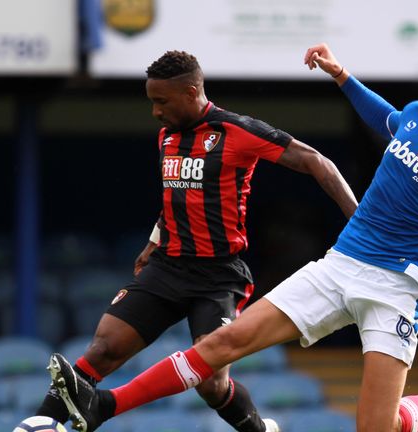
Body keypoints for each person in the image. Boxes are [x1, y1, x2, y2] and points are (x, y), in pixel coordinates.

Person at [49, 42, 418, 432]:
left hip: (397, 289)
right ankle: (104, 406)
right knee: (219, 346)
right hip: (341, 264)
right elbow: (390, 121)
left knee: (379, 427)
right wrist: (343, 77)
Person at [35, 50, 359, 432]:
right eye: (152, 102)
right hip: (168, 266)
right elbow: (178, 194)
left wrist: (360, 220)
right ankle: (34, 424)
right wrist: (155, 238)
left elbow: (318, 162)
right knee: (103, 350)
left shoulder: (238, 131)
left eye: (162, 102)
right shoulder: (166, 135)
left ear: (191, 93)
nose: (156, 111)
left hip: (219, 276)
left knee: (211, 383)